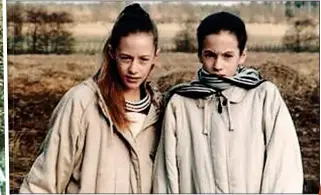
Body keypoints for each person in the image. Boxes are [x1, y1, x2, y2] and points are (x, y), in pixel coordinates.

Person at [152, 11, 303, 193]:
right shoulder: (180, 103)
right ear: (199, 54)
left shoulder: (263, 97)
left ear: (242, 55)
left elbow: (283, 167)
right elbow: (166, 174)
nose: (217, 65)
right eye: (210, 55)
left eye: (227, 56)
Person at [19, 3, 163, 193]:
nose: (134, 69)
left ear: (155, 56)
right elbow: (43, 183)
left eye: (143, 59)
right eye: (126, 58)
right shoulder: (81, 102)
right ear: (112, 53)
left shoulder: (161, 109)